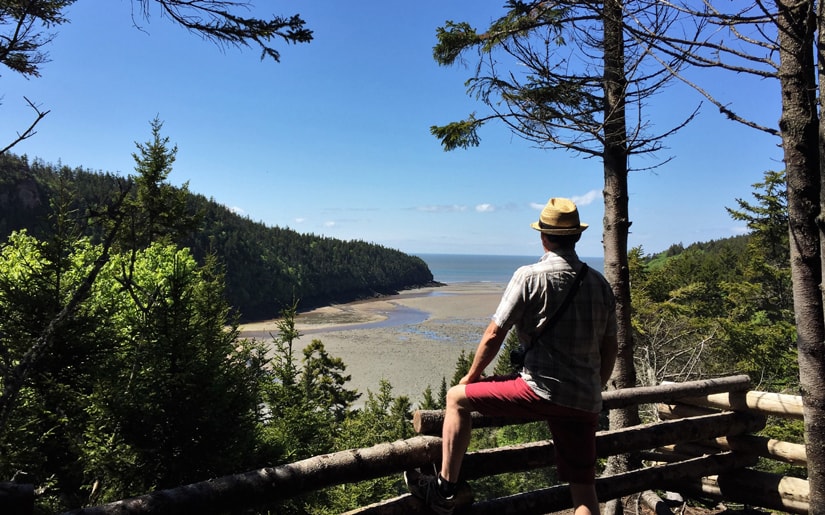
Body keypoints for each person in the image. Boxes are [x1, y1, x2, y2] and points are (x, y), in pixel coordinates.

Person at [405, 197, 618, 515]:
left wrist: (472, 377)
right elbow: (610, 347)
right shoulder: (599, 284)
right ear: (577, 236)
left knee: (455, 398)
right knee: (585, 493)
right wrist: (594, 386)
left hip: (538, 390)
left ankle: (444, 489)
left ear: (543, 237)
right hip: (583, 400)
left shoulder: (529, 277)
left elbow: (494, 334)